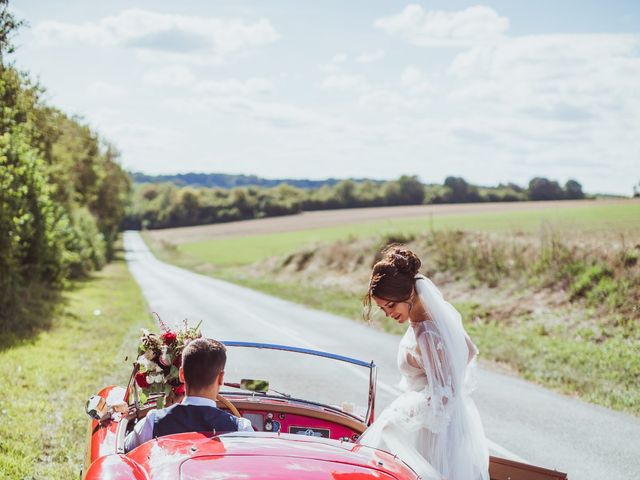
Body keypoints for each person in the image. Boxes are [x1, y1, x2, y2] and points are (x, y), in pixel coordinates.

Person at [359, 246, 489, 480]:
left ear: (408, 295)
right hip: (449, 425)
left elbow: (444, 396)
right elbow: (468, 350)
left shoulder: (427, 333)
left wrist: (400, 419)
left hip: (431, 433)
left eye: (391, 306)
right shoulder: (432, 318)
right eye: (382, 308)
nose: (388, 314)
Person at [125, 338, 253, 452]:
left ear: (181, 374)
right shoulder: (241, 428)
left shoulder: (153, 421)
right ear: (221, 378)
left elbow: (125, 450)